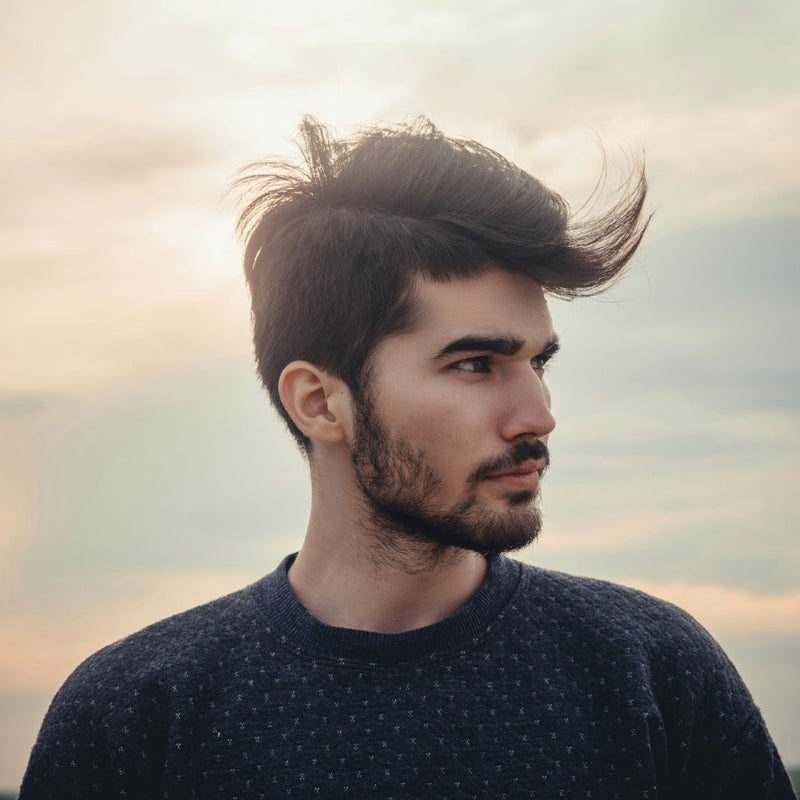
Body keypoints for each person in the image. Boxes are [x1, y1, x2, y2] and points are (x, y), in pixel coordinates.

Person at [20, 118, 794, 799]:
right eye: (474, 364)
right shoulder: (137, 712)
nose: (539, 417)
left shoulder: (652, 670)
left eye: (538, 363)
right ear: (319, 403)